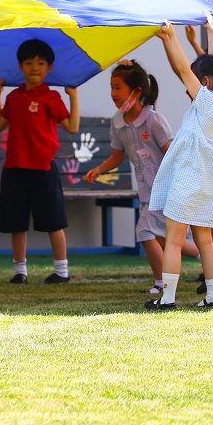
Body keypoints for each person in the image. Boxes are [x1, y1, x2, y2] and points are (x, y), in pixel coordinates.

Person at [145, 22, 213, 310]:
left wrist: (171, 37)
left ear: (204, 83)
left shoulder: (204, 103)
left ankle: (167, 299)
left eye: (196, 79)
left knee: (174, 241)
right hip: (207, 184)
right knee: (205, 240)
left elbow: (182, 69)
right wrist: (212, 33)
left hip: (189, 180)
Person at [81, 60, 174, 294]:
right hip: (145, 191)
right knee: (169, 240)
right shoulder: (118, 122)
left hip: (165, 189)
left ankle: (161, 284)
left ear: (137, 91)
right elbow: (116, 157)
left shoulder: (154, 121)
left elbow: (173, 154)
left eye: (118, 87)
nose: (113, 93)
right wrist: (99, 170)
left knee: (145, 231)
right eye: (111, 87)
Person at [0, 39, 80, 284]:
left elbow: (72, 127)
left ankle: (62, 272)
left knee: (53, 221)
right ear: (20, 66)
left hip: (43, 169)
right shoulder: (14, 97)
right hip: (14, 169)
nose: (34, 68)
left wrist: (73, 97)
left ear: (49, 68)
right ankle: (20, 271)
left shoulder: (51, 96)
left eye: (40, 63)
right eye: (29, 63)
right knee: (16, 223)